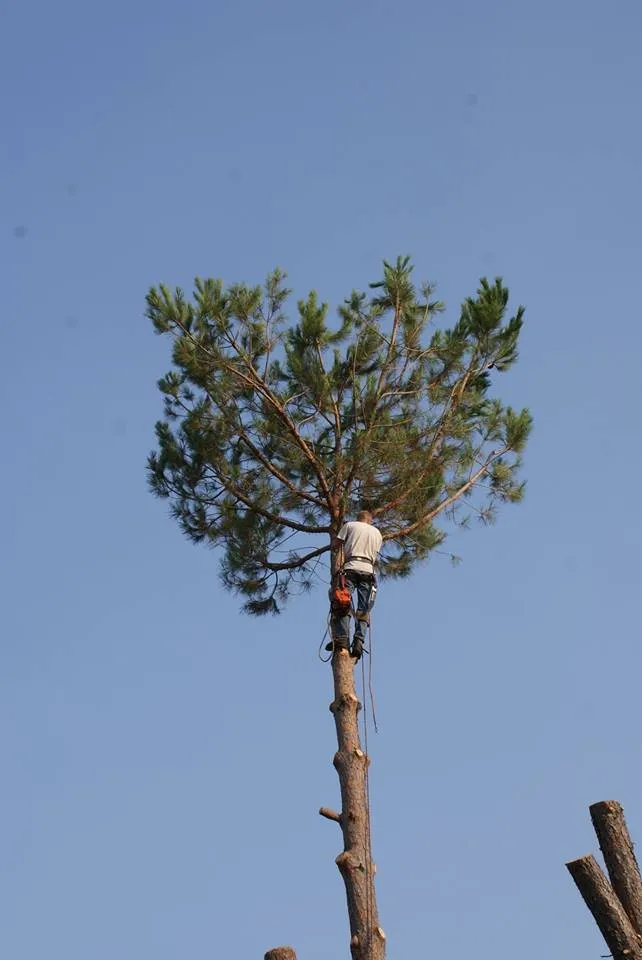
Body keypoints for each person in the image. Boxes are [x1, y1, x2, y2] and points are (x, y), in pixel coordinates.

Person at [327, 510, 383, 660]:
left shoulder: (350, 525)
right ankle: (358, 642)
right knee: (363, 610)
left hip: (350, 568)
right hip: (368, 571)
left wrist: (336, 540)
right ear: (370, 521)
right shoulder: (377, 533)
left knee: (342, 603)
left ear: (358, 518)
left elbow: (335, 544)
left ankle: (343, 640)